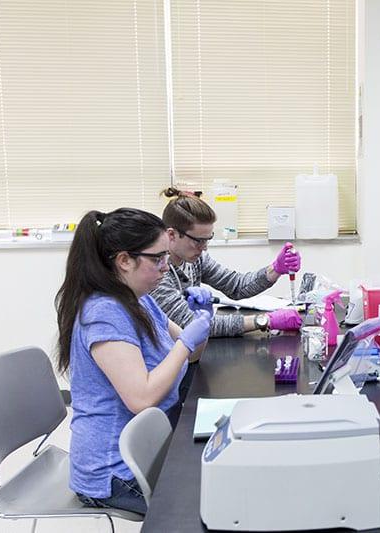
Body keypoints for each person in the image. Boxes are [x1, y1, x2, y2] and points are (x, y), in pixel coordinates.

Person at [55, 208, 214, 515]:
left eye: (166, 257)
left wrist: (202, 321)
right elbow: (141, 398)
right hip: (113, 472)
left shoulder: (140, 298)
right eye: (157, 259)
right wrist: (184, 342)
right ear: (124, 260)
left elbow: (192, 352)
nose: (166, 268)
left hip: (146, 447)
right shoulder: (103, 313)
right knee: (210, 510)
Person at [151, 188, 303, 337]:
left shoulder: (196, 259)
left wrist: (275, 269)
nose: (204, 248)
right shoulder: (157, 273)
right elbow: (192, 326)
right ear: (171, 235)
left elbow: (235, 286)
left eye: (208, 239)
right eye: (199, 241)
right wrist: (264, 320)